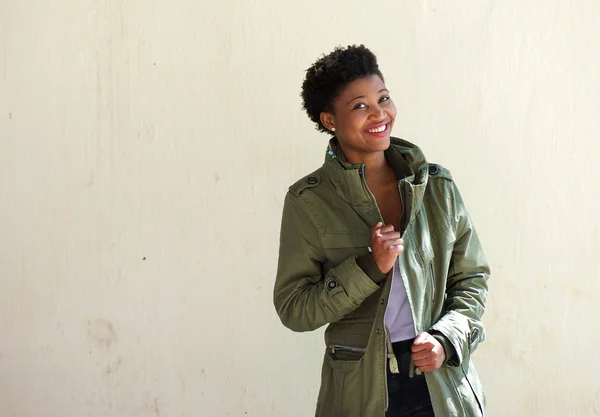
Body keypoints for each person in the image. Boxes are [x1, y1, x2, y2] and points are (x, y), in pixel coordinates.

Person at [273, 45, 490, 417]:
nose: (379, 113)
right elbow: (295, 308)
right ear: (329, 120)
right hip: (358, 392)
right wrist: (369, 267)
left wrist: (447, 340)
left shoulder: (437, 187)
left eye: (383, 98)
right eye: (359, 106)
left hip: (441, 381)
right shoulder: (308, 201)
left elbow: (472, 279)